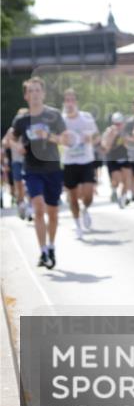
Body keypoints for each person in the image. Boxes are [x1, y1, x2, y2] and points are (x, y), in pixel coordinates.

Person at [9, 77, 70, 268]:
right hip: (32, 169)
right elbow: (10, 138)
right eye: (31, 91)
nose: (35, 94)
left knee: (53, 213)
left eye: (37, 90)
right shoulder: (21, 120)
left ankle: (51, 246)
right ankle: (43, 251)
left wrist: (48, 136)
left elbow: (66, 140)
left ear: (43, 94)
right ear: (26, 96)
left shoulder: (54, 115)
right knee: (39, 207)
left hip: (53, 169)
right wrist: (17, 146)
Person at [61, 88, 100, 240]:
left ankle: (85, 210)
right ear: (64, 103)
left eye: (72, 100)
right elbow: (56, 139)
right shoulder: (61, 120)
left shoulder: (86, 118)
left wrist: (90, 140)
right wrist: (63, 140)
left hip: (86, 160)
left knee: (88, 194)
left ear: (76, 102)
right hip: (69, 162)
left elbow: (97, 137)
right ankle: (78, 225)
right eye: (67, 100)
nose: (70, 103)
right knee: (73, 197)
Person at [3, 109, 30, 220]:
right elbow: (4, 143)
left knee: (27, 184)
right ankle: (21, 204)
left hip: (28, 161)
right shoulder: (12, 130)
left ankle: (29, 207)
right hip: (16, 161)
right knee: (18, 184)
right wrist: (14, 145)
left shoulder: (30, 128)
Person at [101, 112, 130, 206]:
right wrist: (112, 136)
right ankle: (114, 190)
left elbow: (130, 146)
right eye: (116, 124)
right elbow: (105, 148)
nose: (118, 126)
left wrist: (124, 137)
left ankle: (123, 198)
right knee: (116, 179)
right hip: (112, 158)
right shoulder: (108, 132)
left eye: (120, 124)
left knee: (126, 179)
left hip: (125, 157)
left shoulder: (126, 131)